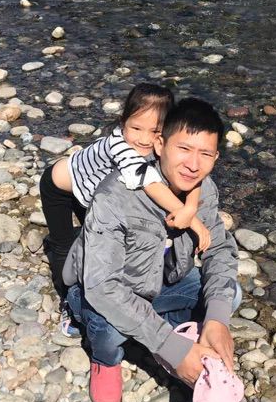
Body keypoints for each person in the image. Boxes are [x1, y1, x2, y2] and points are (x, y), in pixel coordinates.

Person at [63, 98, 240, 402]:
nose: (193, 165)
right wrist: (171, 348)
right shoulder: (116, 195)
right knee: (107, 326)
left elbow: (219, 249)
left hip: (164, 282)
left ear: (216, 157)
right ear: (160, 145)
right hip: (105, 289)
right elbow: (103, 287)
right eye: (184, 149)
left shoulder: (205, 189)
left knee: (229, 296)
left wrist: (217, 320)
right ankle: (106, 358)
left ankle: (167, 335)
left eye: (205, 154)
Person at [39, 83, 212, 337]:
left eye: (155, 131)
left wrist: (191, 206)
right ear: (123, 123)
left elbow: (191, 176)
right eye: (136, 128)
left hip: (97, 191)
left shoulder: (163, 144)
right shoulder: (119, 146)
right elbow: (150, 183)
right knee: (66, 247)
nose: (144, 139)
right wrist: (194, 221)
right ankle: (69, 303)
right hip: (61, 187)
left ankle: (120, 294)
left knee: (107, 242)